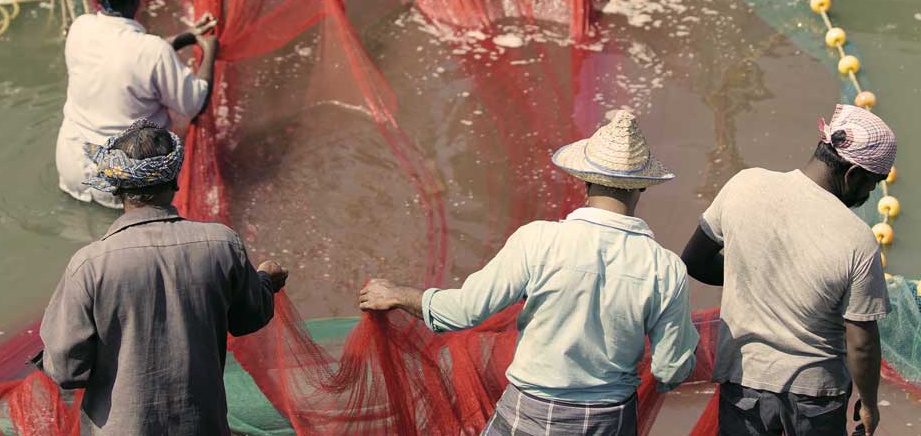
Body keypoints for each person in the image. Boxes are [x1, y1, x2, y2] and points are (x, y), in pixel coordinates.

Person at [359, 110, 699, 436]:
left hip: (532, 413)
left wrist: (398, 294)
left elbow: (462, 312)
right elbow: (670, 370)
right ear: (641, 187)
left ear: (584, 180)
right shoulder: (666, 268)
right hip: (612, 418)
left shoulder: (538, 240)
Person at [40, 119, 287, 435]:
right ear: (174, 182)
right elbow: (248, 318)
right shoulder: (221, 245)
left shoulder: (89, 265)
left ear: (116, 189)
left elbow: (66, 370)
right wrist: (266, 281)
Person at [680, 104, 896, 436]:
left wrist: (755, 273)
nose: (869, 193)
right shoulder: (858, 239)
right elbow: (862, 342)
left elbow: (694, 260)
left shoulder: (744, 185)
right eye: (872, 183)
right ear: (853, 174)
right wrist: (868, 403)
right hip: (817, 398)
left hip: (744, 382)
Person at [56, 0, 219, 209]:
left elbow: (123, 58)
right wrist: (210, 51)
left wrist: (185, 38)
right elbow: (194, 103)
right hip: (122, 181)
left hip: (72, 166)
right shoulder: (152, 51)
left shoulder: (80, 28)